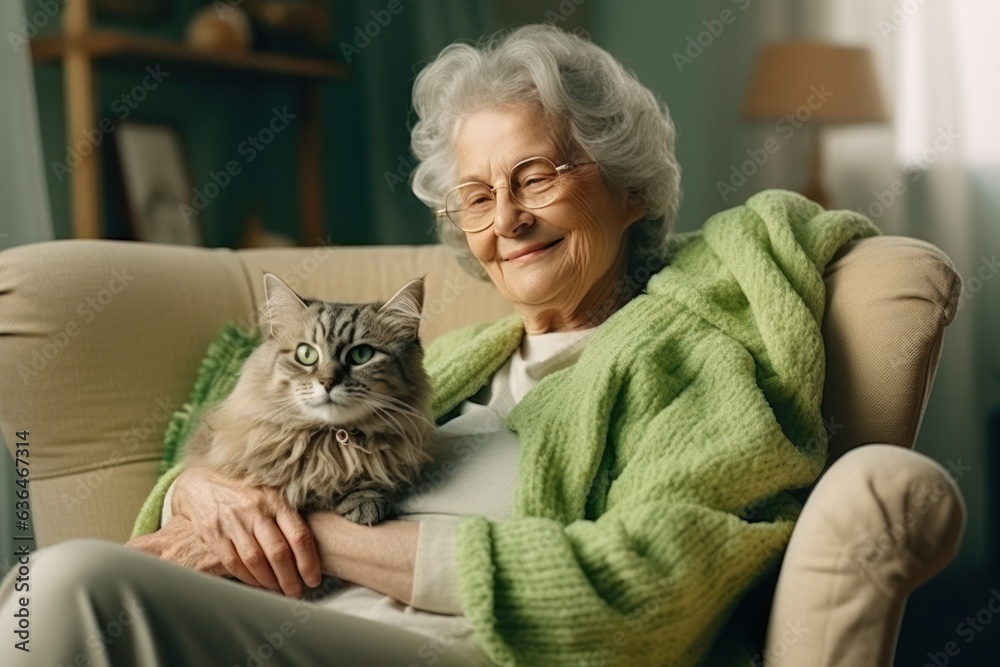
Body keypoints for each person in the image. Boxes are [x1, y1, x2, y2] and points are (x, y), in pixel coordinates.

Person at [1, 24, 876, 667]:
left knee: (75, 589)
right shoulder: (460, 361)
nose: (508, 218)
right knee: (36, 594)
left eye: (535, 176)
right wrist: (195, 487)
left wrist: (319, 538)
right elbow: (223, 475)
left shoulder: (691, 358)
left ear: (630, 189)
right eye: (477, 196)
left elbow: (653, 592)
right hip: (291, 626)